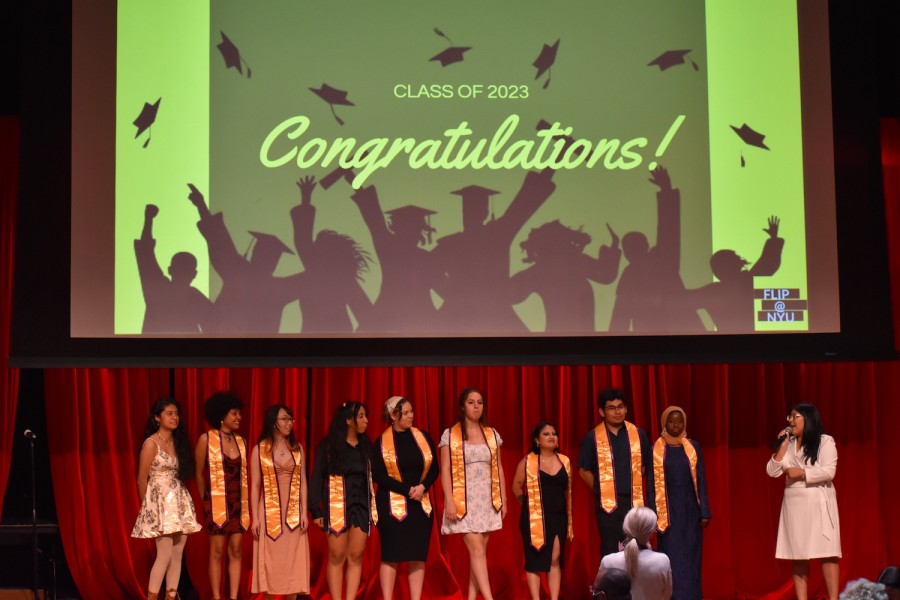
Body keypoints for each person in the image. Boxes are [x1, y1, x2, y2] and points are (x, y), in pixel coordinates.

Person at [767, 403, 841, 600]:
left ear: (807, 419)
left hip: (818, 501)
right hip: (795, 505)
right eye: (789, 417)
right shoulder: (789, 445)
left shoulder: (825, 441)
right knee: (798, 554)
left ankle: (834, 598)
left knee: (827, 552)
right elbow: (772, 471)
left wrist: (801, 472)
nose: (789, 421)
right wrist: (782, 446)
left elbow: (828, 471)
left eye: (794, 416)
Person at [440, 387, 508, 600]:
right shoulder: (450, 434)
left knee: (478, 554)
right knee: (476, 549)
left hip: (487, 499)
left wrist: (503, 499)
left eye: (479, 402)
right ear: (462, 406)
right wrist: (449, 501)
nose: (476, 406)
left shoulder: (491, 433)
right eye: (471, 402)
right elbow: (445, 470)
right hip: (464, 500)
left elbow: (498, 468)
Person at [132, 399, 202, 600]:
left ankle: (171, 596)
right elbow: (141, 479)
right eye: (169, 413)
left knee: (177, 554)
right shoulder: (151, 443)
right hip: (160, 503)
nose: (175, 417)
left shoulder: (178, 443)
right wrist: (149, 510)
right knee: (163, 555)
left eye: (177, 413)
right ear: (157, 417)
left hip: (178, 501)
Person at [372, 396, 440, 600]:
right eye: (407, 413)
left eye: (412, 411)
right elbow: (379, 475)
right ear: (394, 416)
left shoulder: (422, 437)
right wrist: (407, 490)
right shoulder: (381, 442)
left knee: (417, 556)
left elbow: (434, 467)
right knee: (391, 556)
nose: (412, 416)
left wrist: (422, 487)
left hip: (420, 504)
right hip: (392, 506)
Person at [309, 401, 375, 600]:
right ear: (349, 420)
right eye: (361, 416)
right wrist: (316, 510)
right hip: (337, 504)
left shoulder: (366, 447)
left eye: (366, 416)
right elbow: (318, 477)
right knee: (337, 556)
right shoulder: (329, 447)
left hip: (361, 505)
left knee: (355, 556)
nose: (366, 420)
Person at [579, 388, 654, 556]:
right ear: (602, 412)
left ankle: (637, 582)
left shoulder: (638, 434)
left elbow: (644, 466)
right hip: (608, 505)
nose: (617, 411)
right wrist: (601, 490)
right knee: (610, 549)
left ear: (626, 408)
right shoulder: (592, 438)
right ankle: (611, 582)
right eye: (611, 408)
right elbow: (583, 471)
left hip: (635, 501)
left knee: (638, 547)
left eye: (620, 406)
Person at [249, 404, 310, 599]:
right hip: (269, 512)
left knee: (292, 562)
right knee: (272, 562)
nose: (289, 423)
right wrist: (255, 518)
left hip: (292, 512)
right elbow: (255, 485)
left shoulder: (297, 448)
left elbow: (302, 483)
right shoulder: (260, 449)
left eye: (291, 419)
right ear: (273, 422)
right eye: (285, 419)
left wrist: (303, 512)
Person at [193, 392, 248, 600]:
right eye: (234, 413)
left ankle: (233, 597)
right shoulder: (206, 439)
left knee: (236, 549)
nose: (238, 417)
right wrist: (205, 500)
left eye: (239, 413)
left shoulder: (242, 442)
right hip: (216, 503)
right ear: (221, 415)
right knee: (216, 551)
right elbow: (198, 473)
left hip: (238, 502)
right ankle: (217, 597)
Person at [653, 406, 711, 600]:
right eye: (671, 421)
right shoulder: (656, 449)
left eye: (679, 421)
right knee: (669, 560)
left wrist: (704, 511)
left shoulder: (693, 447)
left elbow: (701, 479)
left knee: (691, 560)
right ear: (664, 423)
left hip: (690, 513)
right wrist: (653, 514)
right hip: (667, 515)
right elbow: (652, 485)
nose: (675, 425)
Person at [512, 421, 574, 600]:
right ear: (537, 440)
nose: (552, 436)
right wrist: (529, 506)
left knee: (555, 558)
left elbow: (568, 490)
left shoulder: (564, 461)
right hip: (533, 518)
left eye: (554, 433)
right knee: (534, 561)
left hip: (558, 517)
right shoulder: (527, 461)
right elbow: (516, 487)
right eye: (546, 434)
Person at [599, 507, 672, 600]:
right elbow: (666, 596)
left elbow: (601, 596)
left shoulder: (607, 561)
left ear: (626, 528)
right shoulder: (662, 561)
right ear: (652, 531)